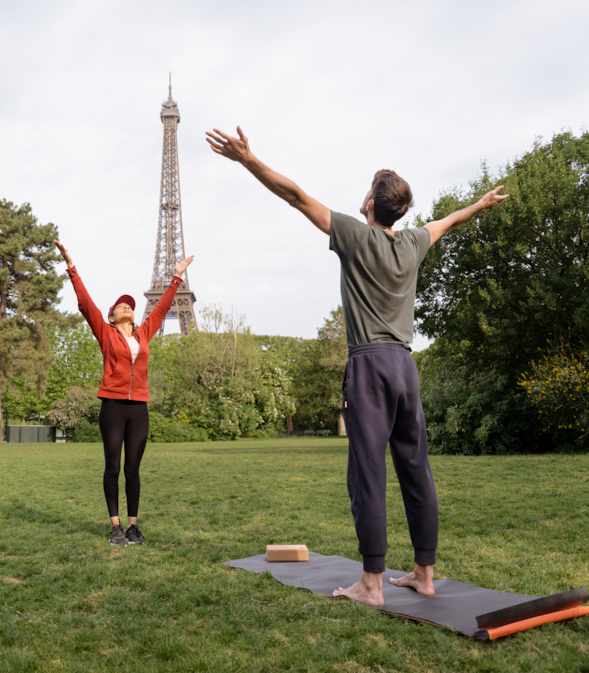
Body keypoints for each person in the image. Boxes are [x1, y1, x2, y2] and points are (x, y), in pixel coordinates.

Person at [206, 126, 508, 606]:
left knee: (367, 472)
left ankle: (371, 585)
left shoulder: (353, 234)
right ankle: (424, 575)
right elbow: (446, 222)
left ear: (370, 203)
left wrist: (248, 159)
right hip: (406, 368)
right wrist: (480, 204)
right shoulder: (411, 244)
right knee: (416, 469)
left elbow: (295, 196)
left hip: (369, 365)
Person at [54, 240, 194, 546]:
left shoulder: (144, 332)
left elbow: (163, 305)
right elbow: (84, 304)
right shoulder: (105, 333)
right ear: (112, 316)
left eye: (129, 305)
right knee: (113, 467)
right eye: (121, 306)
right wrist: (71, 267)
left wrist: (177, 276)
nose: (127, 306)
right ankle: (115, 526)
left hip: (139, 409)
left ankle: (133, 526)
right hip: (114, 407)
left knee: (133, 468)